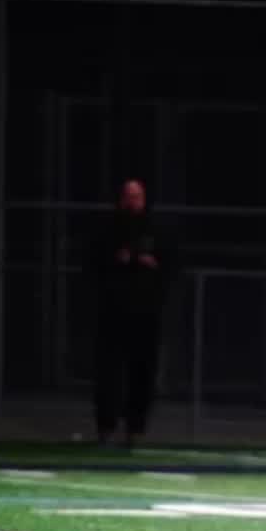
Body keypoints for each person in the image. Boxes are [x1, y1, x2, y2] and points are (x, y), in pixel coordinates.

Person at [91, 178, 177, 447]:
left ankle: (135, 430)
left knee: (143, 373)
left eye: (137, 196)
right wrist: (117, 260)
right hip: (113, 313)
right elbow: (91, 264)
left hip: (146, 313)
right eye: (128, 196)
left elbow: (172, 267)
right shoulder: (107, 229)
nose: (132, 202)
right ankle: (106, 427)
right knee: (109, 373)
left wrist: (152, 264)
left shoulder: (157, 229)